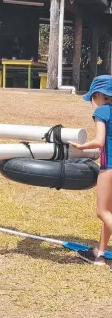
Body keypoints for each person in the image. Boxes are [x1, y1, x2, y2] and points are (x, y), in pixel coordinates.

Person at [69, 75, 112, 268]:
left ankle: (100, 254)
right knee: (109, 212)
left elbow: (100, 140)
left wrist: (82, 146)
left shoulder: (102, 111)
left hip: (109, 168)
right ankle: (99, 254)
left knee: (101, 211)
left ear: (98, 94)